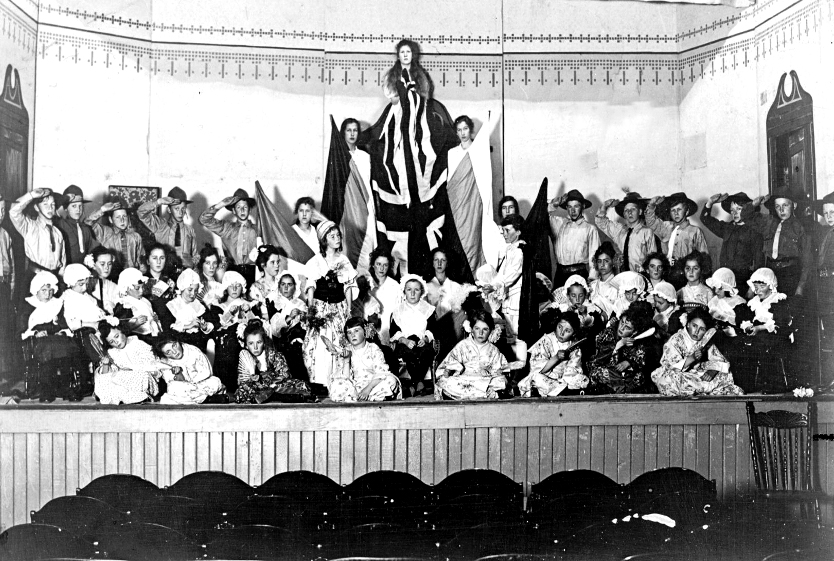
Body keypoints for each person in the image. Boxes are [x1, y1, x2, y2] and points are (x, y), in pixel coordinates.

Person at [303, 221, 358, 392]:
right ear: (324, 240)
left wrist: (348, 310)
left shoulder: (344, 261)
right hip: (321, 308)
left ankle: (339, 379)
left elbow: (348, 287)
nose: (337, 239)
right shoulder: (316, 262)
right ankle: (320, 382)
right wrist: (311, 310)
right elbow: (311, 287)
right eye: (332, 236)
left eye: (338, 236)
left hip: (339, 307)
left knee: (340, 340)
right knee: (320, 343)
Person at [651, 307, 743, 396]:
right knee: (668, 379)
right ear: (688, 324)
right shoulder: (676, 339)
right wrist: (692, 358)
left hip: (698, 375)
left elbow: (719, 360)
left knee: (724, 374)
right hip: (681, 374)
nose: (696, 331)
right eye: (694, 326)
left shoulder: (706, 340)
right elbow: (670, 366)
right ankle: (702, 389)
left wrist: (712, 371)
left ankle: (700, 389)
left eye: (702, 329)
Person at [18, 271, 80, 401]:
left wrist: (62, 331)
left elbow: (63, 323)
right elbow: (22, 329)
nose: (48, 294)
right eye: (44, 290)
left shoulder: (57, 304)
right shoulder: (28, 305)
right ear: (36, 291)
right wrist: (35, 333)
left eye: (50, 290)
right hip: (38, 340)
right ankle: (46, 389)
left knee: (65, 344)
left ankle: (66, 387)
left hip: (56, 337)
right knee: (46, 348)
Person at [733, 267, 794, 392]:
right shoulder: (754, 302)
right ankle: (746, 383)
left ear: (770, 285)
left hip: (775, 334)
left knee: (764, 344)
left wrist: (760, 328)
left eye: (761, 287)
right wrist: (748, 326)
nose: (757, 290)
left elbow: (780, 322)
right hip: (757, 333)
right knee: (740, 345)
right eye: (755, 287)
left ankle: (771, 383)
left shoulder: (778, 299)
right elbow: (747, 318)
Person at [742, 191, 811, 297]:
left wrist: (801, 286)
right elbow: (746, 216)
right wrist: (754, 204)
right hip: (770, 273)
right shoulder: (767, 222)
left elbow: (807, 261)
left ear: (794, 205)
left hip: (790, 274)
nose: (781, 210)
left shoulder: (800, 228)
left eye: (785, 205)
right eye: (777, 206)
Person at [588, 301, 660, 394]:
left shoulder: (642, 339)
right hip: (606, 368)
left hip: (626, 374)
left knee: (639, 377)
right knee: (602, 373)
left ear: (635, 331)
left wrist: (629, 362)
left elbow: (643, 358)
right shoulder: (608, 333)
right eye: (622, 322)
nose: (621, 328)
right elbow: (599, 359)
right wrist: (618, 345)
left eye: (627, 327)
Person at [435, 309, 508, 400]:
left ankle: (479, 393)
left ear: (491, 330)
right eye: (477, 328)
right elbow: (450, 362)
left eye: (485, 329)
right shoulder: (463, 345)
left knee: (500, 381)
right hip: (464, 378)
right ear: (471, 329)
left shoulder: (493, 350)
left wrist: (489, 372)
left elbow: (499, 369)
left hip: (484, 379)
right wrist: (451, 370)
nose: (480, 333)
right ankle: (480, 394)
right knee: (447, 382)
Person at [235, 320, 312, 404]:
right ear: (246, 345)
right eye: (251, 343)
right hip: (257, 387)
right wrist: (252, 379)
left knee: (302, 385)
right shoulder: (246, 357)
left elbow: (285, 374)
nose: (255, 347)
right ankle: (276, 396)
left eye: (259, 342)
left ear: (264, 342)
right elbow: (242, 378)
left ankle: (272, 396)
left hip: (275, 384)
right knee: (242, 390)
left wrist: (267, 378)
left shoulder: (272, 354)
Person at [330, 317, 402, 402]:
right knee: (336, 384)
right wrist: (346, 360)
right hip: (355, 386)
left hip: (372, 384)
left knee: (391, 381)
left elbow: (381, 372)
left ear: (365, 332)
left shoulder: (373, 348)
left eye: (356, 331)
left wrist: (367, 390)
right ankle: (358, 396)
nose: (353, 335)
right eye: (349, 332)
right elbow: (345, 378)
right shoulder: (346, 350)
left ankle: (365, 397)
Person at [701, 192, 763, 291]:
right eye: (732, 210)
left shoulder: (754, 231)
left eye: (739, 209)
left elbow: (759, 262)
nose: (735, 213)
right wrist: (710, 203)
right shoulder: (726, 228)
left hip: (743, 279)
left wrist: (752, 288)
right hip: (724, 278)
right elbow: (705, 219)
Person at [519, 309, 587, 397]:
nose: (561, 333)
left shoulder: (574, 347)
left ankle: (561, 390)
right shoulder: (546, 340)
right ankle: (563, 392)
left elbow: (573, 369)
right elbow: (539, 369)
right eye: (560, 327)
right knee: (536, 378)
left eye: (567, 331)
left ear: (573, 334)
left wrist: (566, 379)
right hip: (547, 377)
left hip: (563, 379)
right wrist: (556, 358)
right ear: (556, 324)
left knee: (581, 379)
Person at [390, 274, 439, 396]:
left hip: (421, 342)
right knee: (409, 353)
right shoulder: (398, 311)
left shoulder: (428, 309)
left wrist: (426, 338)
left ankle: (414, 382)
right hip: (405, 344)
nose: (412, 293)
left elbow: (432, 328)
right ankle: (419, 382)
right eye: (409, 290)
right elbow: (394, 331)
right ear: (404, 292)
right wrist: (404, 340)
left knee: (426, 352)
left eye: (416, 290)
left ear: (421, 292)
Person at [199, 189, 259, 285]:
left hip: (254, 273)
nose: (242, 210)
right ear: (234, 211)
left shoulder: (258, 230)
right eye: (238, 207)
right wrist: (222, 204)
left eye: (245, 207)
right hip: (232, 272)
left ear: (250, 210)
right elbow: (204, 219)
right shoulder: (226, 228)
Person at [95, 320, 162, 405]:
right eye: (111, 342)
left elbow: (152, 365)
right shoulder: (113, 352)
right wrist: (106, 364)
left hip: (142, 378)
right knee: (104, 373)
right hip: (123, 379)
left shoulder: (138, 344)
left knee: (135, 376)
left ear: (123, 331)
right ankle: (118, 396)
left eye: (117, 336)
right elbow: (109, 373)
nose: (116, 342)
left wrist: (131, 368)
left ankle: (139, 396)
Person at [480, 214, 525, 338]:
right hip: (508, 295)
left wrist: (494, 286)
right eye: (503, 230)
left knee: (515, 329)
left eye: (507, 230)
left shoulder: (519, 252)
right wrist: (491, 284)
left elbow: (512, 274)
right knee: (509, 330)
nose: (504, 234)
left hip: (516, 296)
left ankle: (518, 355)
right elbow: (501, 273)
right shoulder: (510, 249)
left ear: (518, 232)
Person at [425, 247, 472, 360]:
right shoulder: (425, 287)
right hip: (432, 327)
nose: (439, 263)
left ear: (447, 263)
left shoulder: (456, 286)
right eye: (436, 260)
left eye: (443, 260)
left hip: (452, 329)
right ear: (432, 262)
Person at [214, 270, 258, 392]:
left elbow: (256, 326)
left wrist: (248, 312)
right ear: (226, 287)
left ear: (242, 288)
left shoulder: (248, 304)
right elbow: (218, 327)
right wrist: (229, 314)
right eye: (231, 286)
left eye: (238, 286)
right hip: (227, 346)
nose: (234, 288)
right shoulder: (218, 306)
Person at [137, 187, 200, 269]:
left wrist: (192, 265)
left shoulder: (189, 230)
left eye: (183, 208)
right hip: (165, 272)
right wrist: (159, 202)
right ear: (169, 210)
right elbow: (141, 212)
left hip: (185, 273)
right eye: (176, 208)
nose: (180, 212)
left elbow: (195, 256)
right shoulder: (159, 225)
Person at [9, 188, 66, 278]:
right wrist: (31, 195)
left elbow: (63, 261)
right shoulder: (30, 227)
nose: (50, 208)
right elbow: (13, 212)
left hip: (54, 278)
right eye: (45, 204)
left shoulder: (58, 233)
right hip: (35, 276)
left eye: (53, 204)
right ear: (36, 207)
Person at [594, 192, 658, 273]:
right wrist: (605, 206)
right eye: (626, 210)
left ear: (640, 211)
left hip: (640, 276)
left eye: (633, 209)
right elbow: (600, 222)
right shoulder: (619, 230)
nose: (630, 212)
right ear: (624, 214)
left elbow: (653, 258)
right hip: (622, 276)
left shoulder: (647, 232)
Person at [645, 192, 709, 273]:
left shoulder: (695, 231)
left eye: (679, 209)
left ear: (687, 211)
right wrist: (651, 205)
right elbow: (651, 222)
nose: (676, 213)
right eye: (673, 210)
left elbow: (704, 257)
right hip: (667, 273)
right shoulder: (666, 227)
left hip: (686, 274)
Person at [548, 190, 601, 287]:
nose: (573, 211)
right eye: (569, 207)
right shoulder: (558, 224)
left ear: (583, 206)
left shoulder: (590, 229)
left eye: (576, 206)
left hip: (579, 275)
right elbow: (540, 215)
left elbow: (594, 256)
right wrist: (553, 205)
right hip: (560, 275)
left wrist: (592, 280)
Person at [154, 336, 225, 405]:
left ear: (179, 341)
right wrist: (178, 374)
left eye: (174, 345)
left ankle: (192, 400)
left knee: (215, 381)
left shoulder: (193, 350)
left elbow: (206, 372)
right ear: (164, 355)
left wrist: (192, 382)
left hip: (201, 383)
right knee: (174, 388)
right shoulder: (165, 362)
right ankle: (207, 399)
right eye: (168, 352)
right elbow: (172, 381)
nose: (174, 352)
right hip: (185, 387)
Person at [84, 196, 145, 273]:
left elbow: (140, 261)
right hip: (112, 276)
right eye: (118, 217)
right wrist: (102, 210)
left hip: (131, 276)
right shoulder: (105, 232)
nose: (122, 220)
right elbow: (87, 222)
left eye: (124, 216)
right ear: (110, 219)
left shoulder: (135, 236)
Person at [166, 268, 217, 351]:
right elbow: (169, 328)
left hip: (199, 342)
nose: (193, 294)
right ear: (182, 288)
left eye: (196, 290)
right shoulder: (173, 305)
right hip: (180, 343)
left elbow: (209, 323)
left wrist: (204, 327)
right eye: (190, 290)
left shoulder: (199, 305)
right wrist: (188, 326)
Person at [360, 246, 400, 346]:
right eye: (378, 264)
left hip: (387, 333)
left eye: (385, 265)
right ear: (373, 265)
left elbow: (397, 313)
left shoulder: (395, 286)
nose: (382, 268)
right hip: (367, 332)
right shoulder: (365, 283)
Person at [114, 268, 162, 342]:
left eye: (142, 287)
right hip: (138, 339)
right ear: (127, 288)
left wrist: (154, 318)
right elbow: (120, 329)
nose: (141, 291)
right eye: (137, 288)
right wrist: (135, 324)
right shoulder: (125, 304)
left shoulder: (144, 300)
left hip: (151, 335)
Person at [54, 185, 96, 265]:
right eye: (74, 206)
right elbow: (52, 206)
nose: (78, 209)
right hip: (65, 269)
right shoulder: (60, 224)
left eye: (80, 206)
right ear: (65, 208)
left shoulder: (85, 229)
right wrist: (64, 199)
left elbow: (93, 247)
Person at [0, 194, 15, 389]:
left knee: (3, 330)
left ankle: (2, 374)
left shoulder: (5, 234)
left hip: (2, 286)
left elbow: (10, 266)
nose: (0, 214)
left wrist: (11, 289)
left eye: (2, 210)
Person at [249, 245, 286, 322]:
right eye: (272, 262)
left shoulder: (282, 281)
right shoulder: (256, 287)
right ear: (263, 265)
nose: (276, 265)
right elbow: (255, 314)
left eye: (278, 262)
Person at [588, 242, 618, 319]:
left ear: (613, 261)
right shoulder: (592, 285)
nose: (602, 264)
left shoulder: (617, 285)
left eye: (606, 261)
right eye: (599, 261)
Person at [86, 247, 119, 314]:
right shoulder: (87, 286)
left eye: (109, 264)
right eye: (102, 264)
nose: (107, 267)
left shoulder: (114, 287)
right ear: (93, 265)